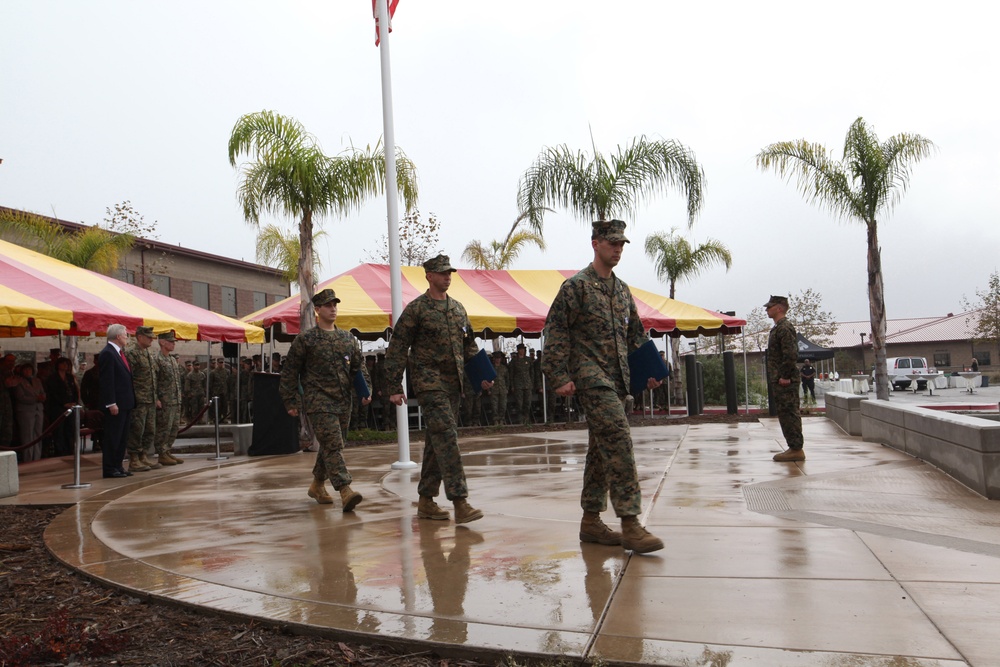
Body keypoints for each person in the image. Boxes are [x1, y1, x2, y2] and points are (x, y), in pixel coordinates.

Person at [542, 219, 664, 554]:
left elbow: (636, 336)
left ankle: (591, 522)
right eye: (612, 243)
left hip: (619, 380)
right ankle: (630, 522)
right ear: (595, 243)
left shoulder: (622, 290)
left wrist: (649, 372)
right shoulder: (576, 287)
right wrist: (558, 376)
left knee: (600, 449)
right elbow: (555, 332)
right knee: (619, 440)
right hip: (590, 377)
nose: (618, 248)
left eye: (622, 244)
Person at [384, 254, 492, 524]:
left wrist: (482, 376)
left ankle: (426, 500)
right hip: (429, 382)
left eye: (450, 273)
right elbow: (398, 346)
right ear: (429, 276)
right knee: (447, 438)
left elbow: (469, 346)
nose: (447, 277)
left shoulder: (457, 309)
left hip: (453, 384)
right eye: (442, 273)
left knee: (437, 440)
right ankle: (460, 501)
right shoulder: (417, 309)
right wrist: (395, 386)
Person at [279, 288, 369, 511]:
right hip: (318, 401)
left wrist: (365, 390)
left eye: (335, 305)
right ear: (317, 310)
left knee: (332, 446)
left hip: (342, 401)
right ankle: (345, 489)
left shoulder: (347, 338)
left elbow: (359, 368)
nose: (333, 309)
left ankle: (318, 484)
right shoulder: (306, 340)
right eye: (328, 305)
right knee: (333, 444)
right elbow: (290, 371)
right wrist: (290, 401)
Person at [766, 295, 805, 461]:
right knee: (784, 413)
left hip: (785, 380)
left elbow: (790, 354)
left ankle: (796, 449)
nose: (767, 309)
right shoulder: (778, 328)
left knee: (789, 413)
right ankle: (793, 447)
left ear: (779, 308)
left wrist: (785, 376)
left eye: (770, 307)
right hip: (779, 378)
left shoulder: (785, 327)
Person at [98, 324, 136, 478]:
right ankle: (109, 467)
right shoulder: (108, 353)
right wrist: (111, 402)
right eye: (125, 335)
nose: (127, 337)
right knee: (113, 437)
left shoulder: (119, 353)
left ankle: (118, 465)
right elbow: (108, 380)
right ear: (118, 336)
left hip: (125, 403)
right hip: (116, 404)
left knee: (122, 437)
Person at [154, 332, 185, 466]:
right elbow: (153, 381)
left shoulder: (172, 360)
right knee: (164, 428)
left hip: (175, 400)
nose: (173, 343)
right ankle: (161, 453)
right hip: (165, 401)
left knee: (173, 427)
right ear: (162, 342)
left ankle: (167, 451)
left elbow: (177, 380)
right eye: (170, 341)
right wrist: (156, 398)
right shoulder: (157, 359)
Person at [44, 357, 79, 457]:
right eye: (63, 363)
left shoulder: (70, 377)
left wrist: (74, 402)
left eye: (66, 364)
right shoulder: (52, 378)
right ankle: (60, 451)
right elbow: (53, 393)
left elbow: (75, 391)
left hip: (71, 406)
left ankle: (70, 450)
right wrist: (63, 403)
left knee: (69, 429)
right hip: (58, 408)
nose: (65, 366)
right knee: (59, 430)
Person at [13, 363, 45, 462]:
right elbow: (20, 396)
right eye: (25, 370)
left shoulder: (37, 380)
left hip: (38, 409)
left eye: (29, 369)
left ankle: (37, 457)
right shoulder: (18, 381)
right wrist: (35, 398)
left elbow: (42, 392)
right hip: (26, 411)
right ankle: (28, 459)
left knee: (38, 434)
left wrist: (43, 397)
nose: (28, 372)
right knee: (27, 436)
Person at [510, 343, 534, 424]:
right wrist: (512, 385)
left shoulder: (528, 360)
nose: (522, 351)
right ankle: (520, 419)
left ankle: (526, 418)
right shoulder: (514, 361)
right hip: (518, 385)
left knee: (528, 402)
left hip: (527, 384)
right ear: (518, 350)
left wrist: (532, 383)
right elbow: (511, 374)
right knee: (519, 403)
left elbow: (532, 372)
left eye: (523, 349)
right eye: (520, 349)